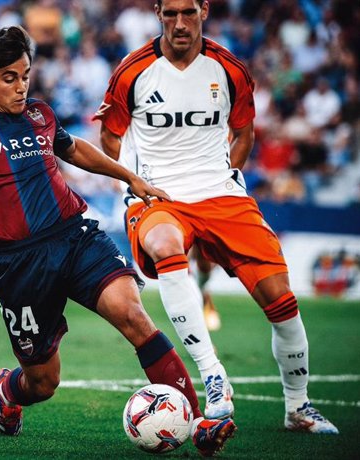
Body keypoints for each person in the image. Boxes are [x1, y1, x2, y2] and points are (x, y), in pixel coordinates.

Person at [0, 26, 236, 456]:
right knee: (42, 383)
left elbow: (72, 148)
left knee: (133, 315)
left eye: (25, 74)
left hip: (75, 236)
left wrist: (131, 176)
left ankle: (196, 426)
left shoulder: (40, 114)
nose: (21, 85)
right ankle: (9, 390)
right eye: (9, 77)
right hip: (20, 263)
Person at [94, 0, 338, 434]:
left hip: (222, 196)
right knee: (167, 249)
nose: (180, 23)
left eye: (188, 11)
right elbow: (109, 138)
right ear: (157, 12)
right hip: (158, 195)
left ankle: (298, 407)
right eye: (170, 13)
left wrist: (230, 175)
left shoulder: (230, 70)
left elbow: (243, 133)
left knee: (283, 303)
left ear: (205, 9)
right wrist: (133, 182)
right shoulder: (132, 71)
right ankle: (213, 375)